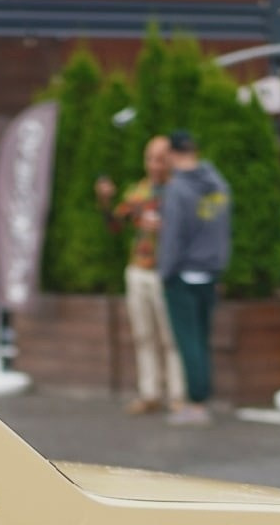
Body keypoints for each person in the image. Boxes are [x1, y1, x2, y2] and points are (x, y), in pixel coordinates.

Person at [95, 137, 185, 416]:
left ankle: (178, 395)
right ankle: (150, 393)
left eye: (160, 158)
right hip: (139, 270)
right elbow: (115, 225)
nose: (155, 165)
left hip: (168, 273)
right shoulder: (140, 192)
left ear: (171, 159)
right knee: (144, 335)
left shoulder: (180, 192)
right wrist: (105, 200)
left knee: (172, 337)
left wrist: (168, 229)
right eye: (150, 158)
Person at [157, 130, 232, 426]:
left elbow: (173, 238)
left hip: (182, 276)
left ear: (174, 154)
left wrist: (165, 273)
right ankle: (201, 398)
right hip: (210, 273)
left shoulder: (177, 190)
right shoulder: (219, 185)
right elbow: (221, 231)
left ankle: (196, 403)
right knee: (201, 339)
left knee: (188, 341)